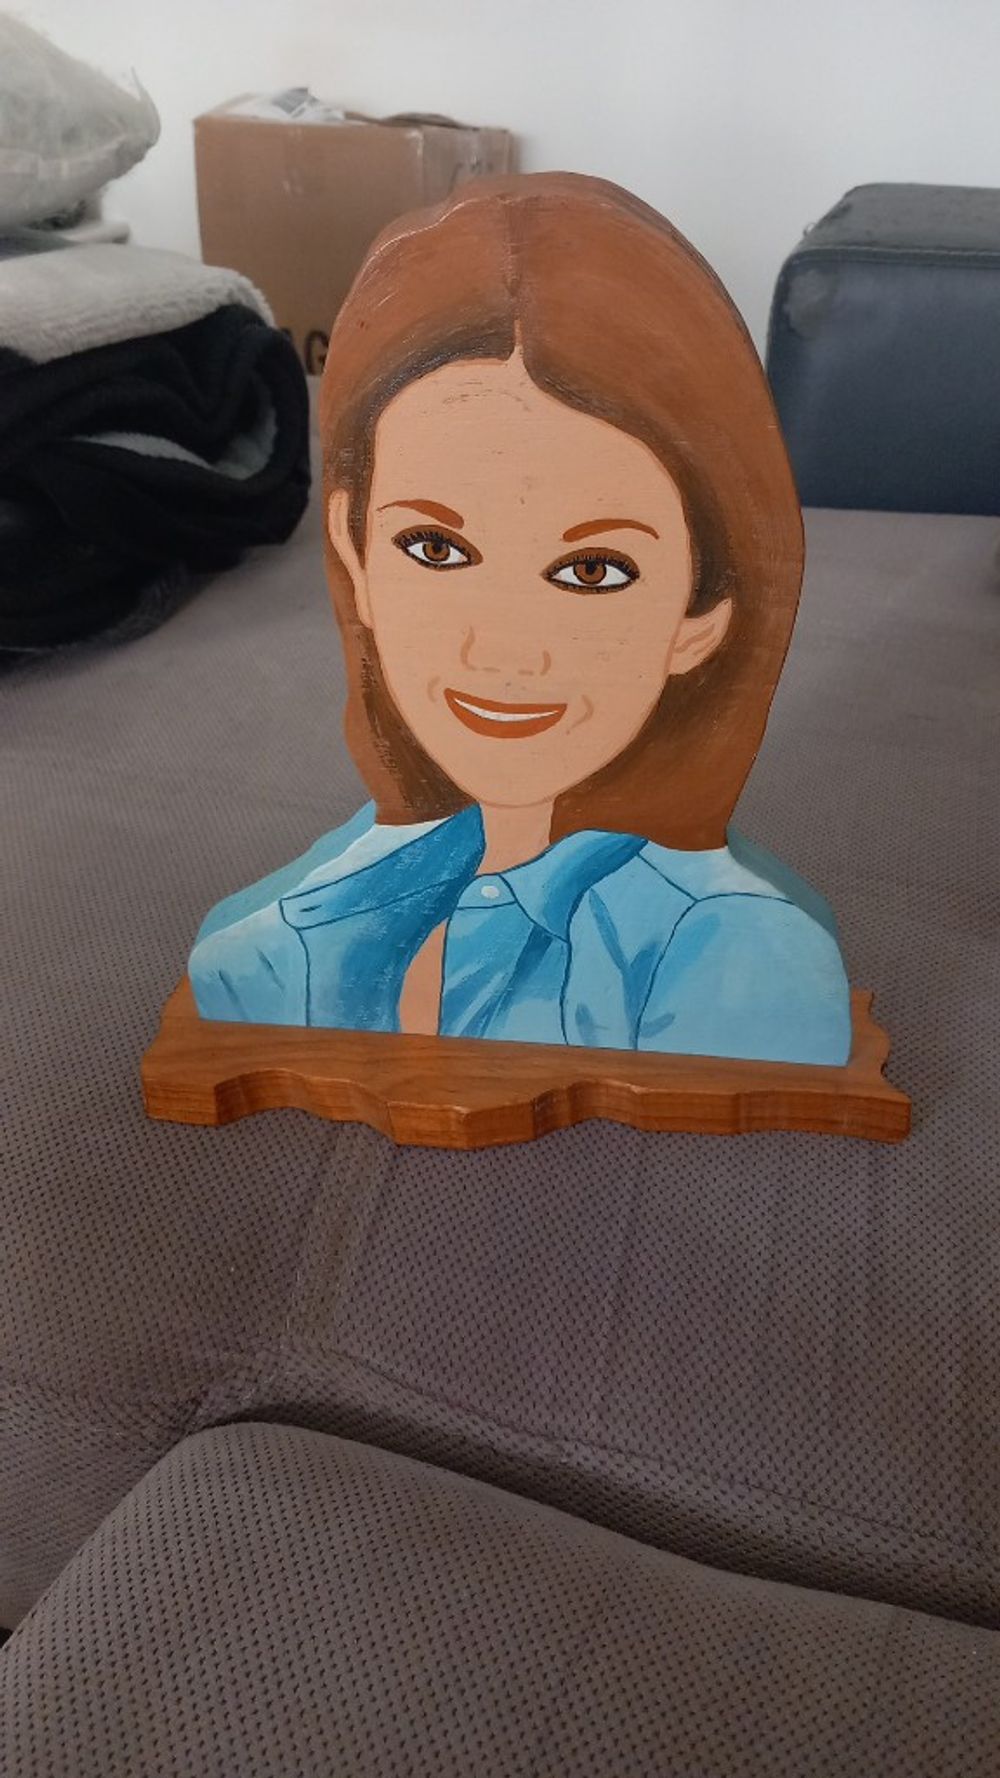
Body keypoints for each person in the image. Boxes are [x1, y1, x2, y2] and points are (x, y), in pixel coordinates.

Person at [189, 174, 851, 1065]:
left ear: (701, 614)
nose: (503, 647)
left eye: (591, 570)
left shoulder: (726, 957)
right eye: (435, 548)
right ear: (355, 552)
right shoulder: (296, 932)